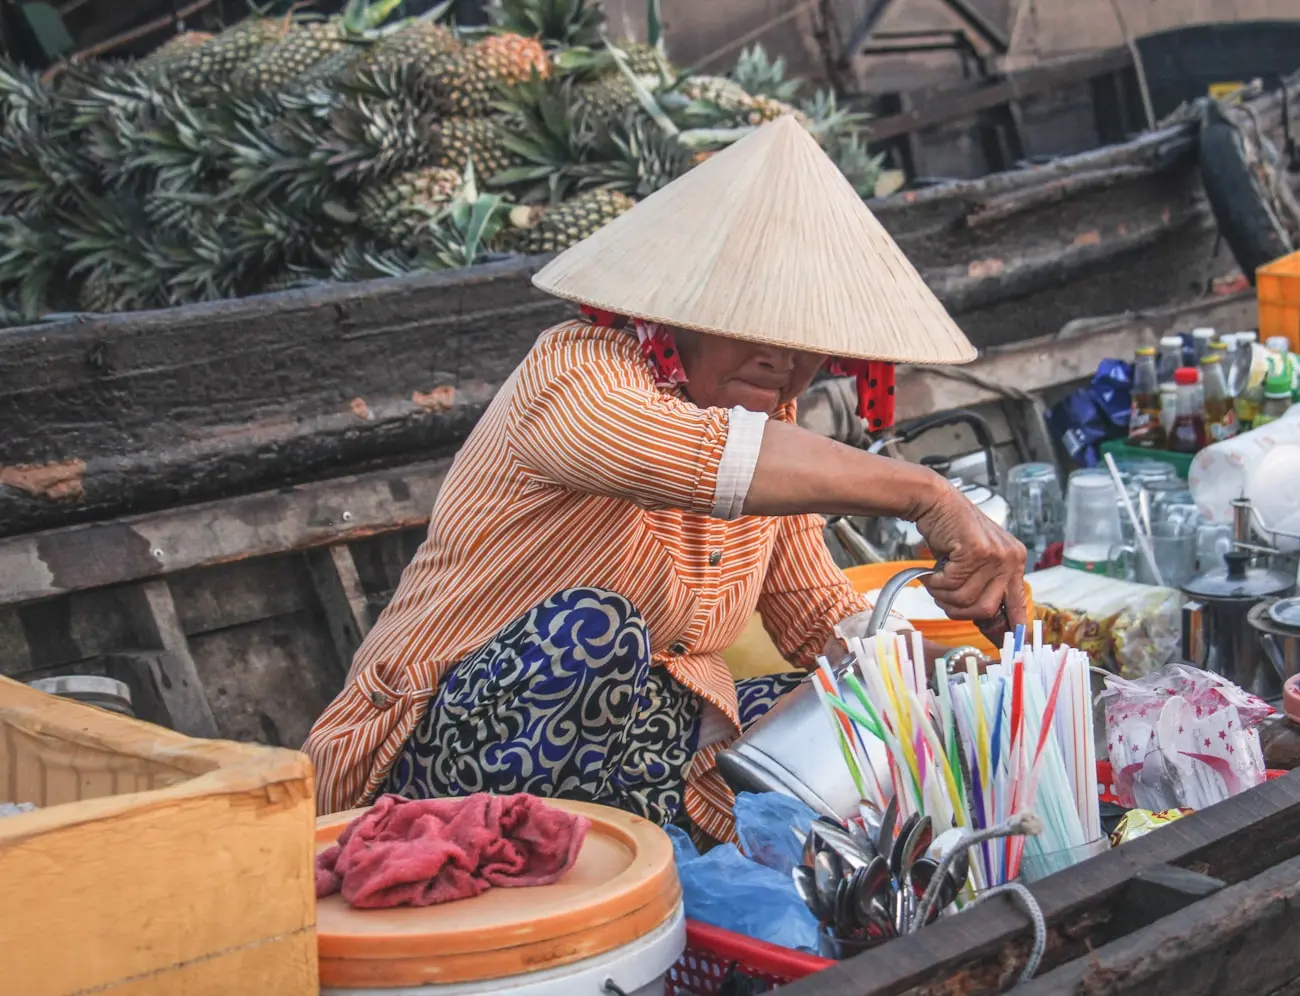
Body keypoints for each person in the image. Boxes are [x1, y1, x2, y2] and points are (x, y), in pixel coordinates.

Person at [304, 116, 1028, 843]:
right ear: (684, 311)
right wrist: (928, 494)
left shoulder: (778, 437)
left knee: (845, 709)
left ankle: (661, 865)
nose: (781, 359)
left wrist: (969, 673)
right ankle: (565, 870)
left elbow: (820, 619)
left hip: (633, 747)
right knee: (592, 629)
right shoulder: (576, 371)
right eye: (751, 324)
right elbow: (693, 456)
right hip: (426, 764)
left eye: (806, 341)